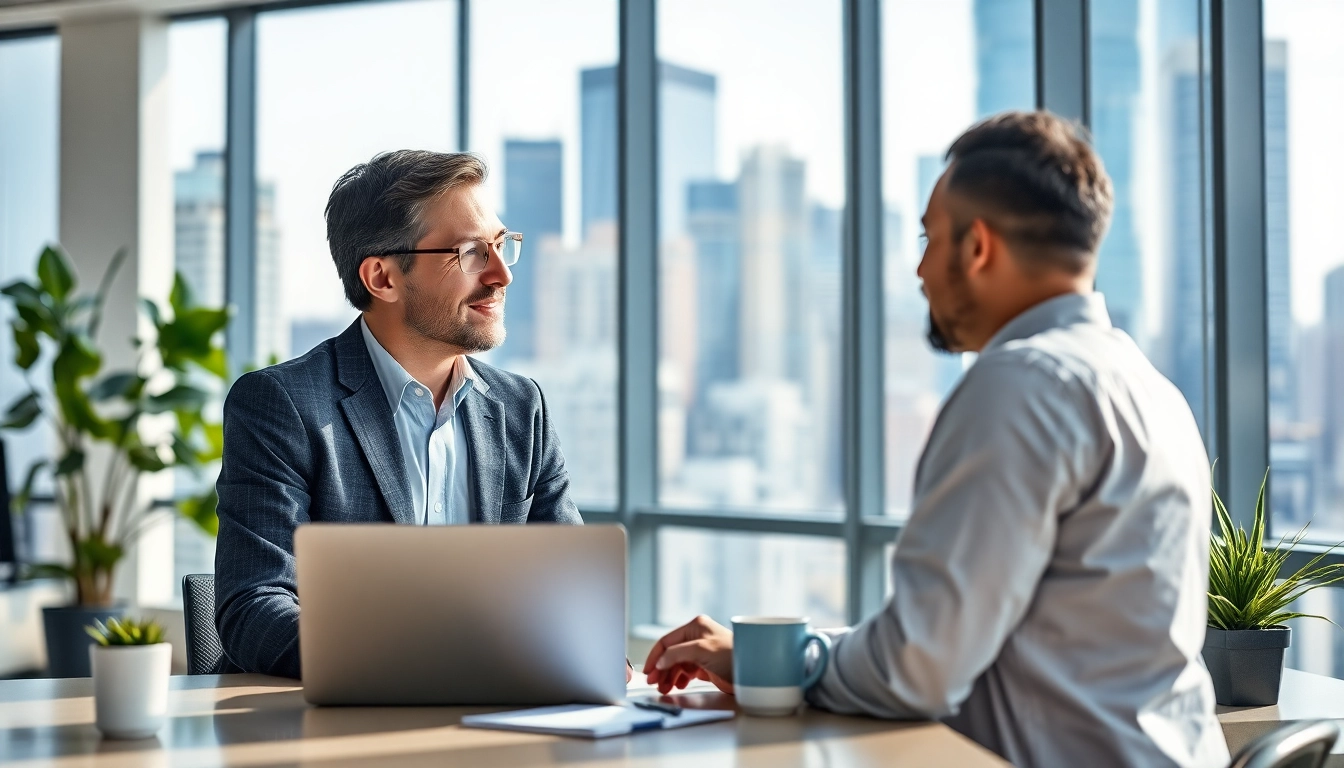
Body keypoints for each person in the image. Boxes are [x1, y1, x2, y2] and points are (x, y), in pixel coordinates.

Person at [643, 112, 1230, 767]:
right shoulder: (1153, 390)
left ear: (977, 247)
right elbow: (965, 639)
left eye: (930, 239)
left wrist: (770, 663)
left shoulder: (1021, 387)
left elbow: (917, 668)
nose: (920, 270)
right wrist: (769, 653)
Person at [214, 151, 582, 679]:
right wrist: (428, 662)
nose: (501, 274)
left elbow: (571, 592)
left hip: (494, 712)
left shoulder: (522, 409)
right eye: (471, 253)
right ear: (382, 277)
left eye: (501, 246)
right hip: (332, 719)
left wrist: (589, 653)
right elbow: (255, 607)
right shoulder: (282, 405)